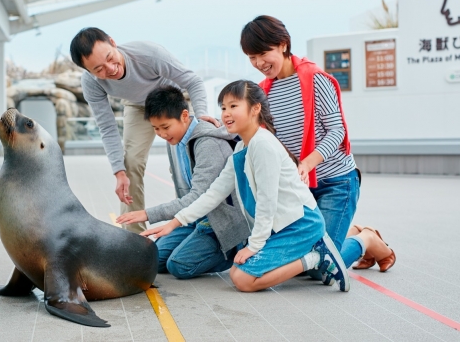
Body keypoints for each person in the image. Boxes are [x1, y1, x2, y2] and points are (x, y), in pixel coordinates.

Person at [142, 80, 351, 292]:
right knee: (237, 273)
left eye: (233, 106)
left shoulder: (262, 144)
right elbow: (214, 193)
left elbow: (266, 202)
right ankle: (320, 253)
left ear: (255, 108)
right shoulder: (242, 146)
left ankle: (316, 257)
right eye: (223, 107)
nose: (226, 113)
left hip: (300, 224)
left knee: (242, 279)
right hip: (281, 226)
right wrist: (176, 222)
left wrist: (254, 245)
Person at [239, 15, 396, 280]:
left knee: (321, 268)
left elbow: (338, 131)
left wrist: (308, 163)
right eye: (252, 57)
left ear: (283, 44)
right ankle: (350, 232)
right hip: (301, 189)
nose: (259, 63)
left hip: (336, 182)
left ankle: (366, 239)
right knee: (300, 259)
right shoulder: (264, 92)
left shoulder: (315, 79)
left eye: (263, 53)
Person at [70, 28, 219, 233]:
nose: (111, 69)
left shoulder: (149, 54)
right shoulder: (91, 83)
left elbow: (193, 82)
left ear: (113, 42)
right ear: (88, 72)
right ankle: (135, 238)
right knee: (130, 163)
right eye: (99, 69)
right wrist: (118, 171)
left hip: (167, 100)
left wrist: (201, 117)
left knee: (188, 159)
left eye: (110, 58)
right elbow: (107, 126)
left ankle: (191, 220)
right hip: (136, 105)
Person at [116, 86, 248, 278]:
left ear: (184, 116)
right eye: (156, 128)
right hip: (193, 219)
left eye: (165, 127)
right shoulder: (175, 140)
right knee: (155, 260)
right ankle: (195, 242)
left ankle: (235, 250)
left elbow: (199, 197)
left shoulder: (207, 142)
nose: (161, 134)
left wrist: (148, 214)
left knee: (179, 266)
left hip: (220, 222)